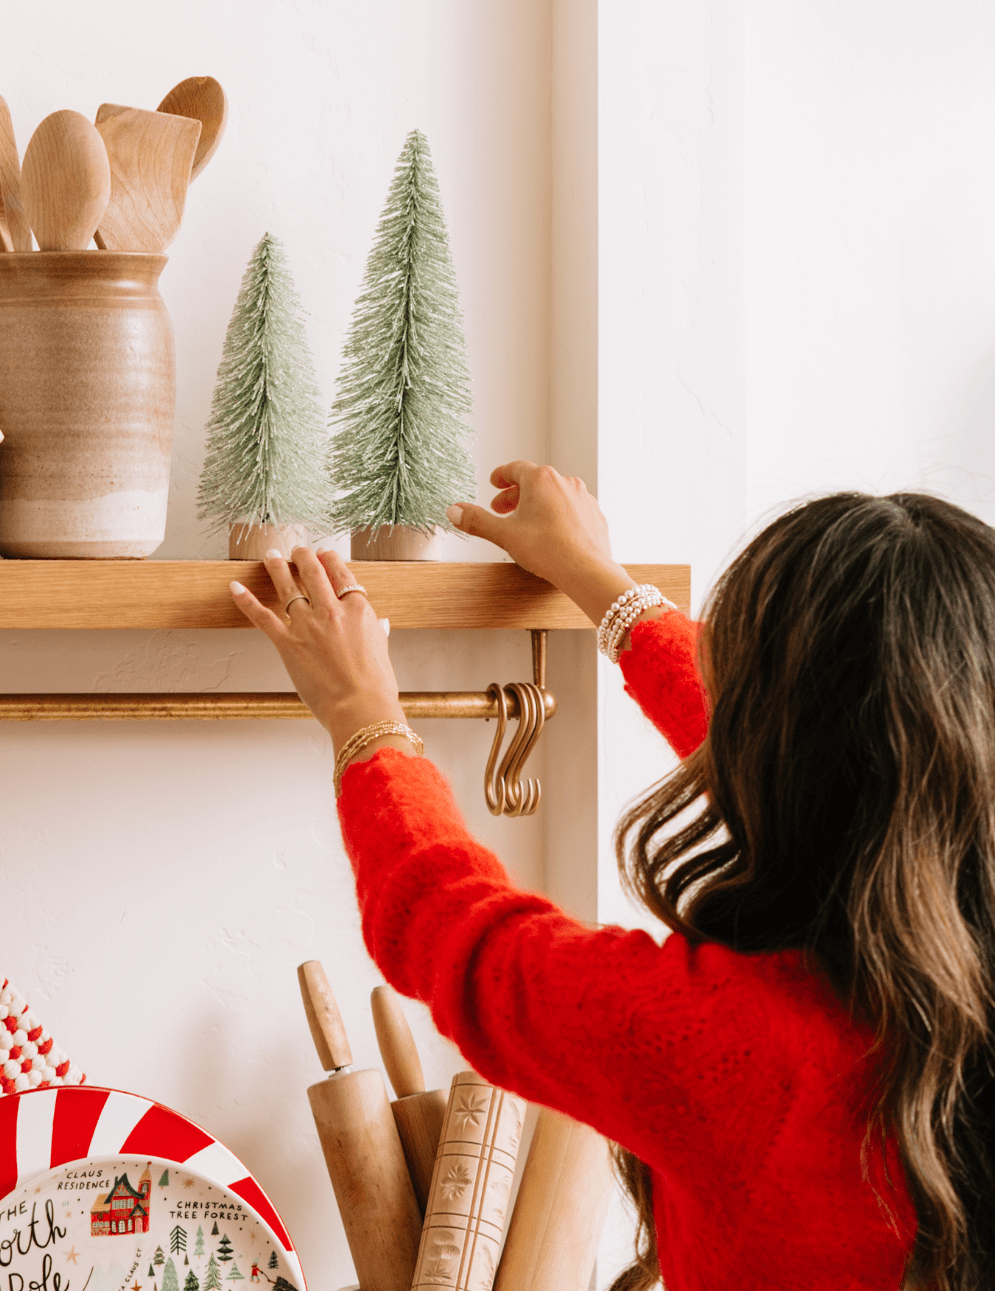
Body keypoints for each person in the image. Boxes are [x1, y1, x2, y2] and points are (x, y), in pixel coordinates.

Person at [228, 461, 995, 1291]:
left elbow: (453, 929)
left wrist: (361, 716)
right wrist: (605, 588)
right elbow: (837, 766)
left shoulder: (723, 1043)